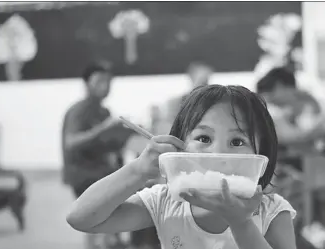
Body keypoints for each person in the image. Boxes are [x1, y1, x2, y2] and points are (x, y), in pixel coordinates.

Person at [67, 84, 297, 249]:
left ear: (262, 155)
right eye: (204, 139)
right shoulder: (166, 202)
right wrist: (138, 170)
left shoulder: (272, 211)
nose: (217, 154)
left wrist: (241, 222)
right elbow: (81, 218)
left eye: (237, 142)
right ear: (179, 147)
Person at [62, 62, 134, 249]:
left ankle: (115, 241)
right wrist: (103, 128)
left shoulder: (104, 111)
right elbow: (71, 142)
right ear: (86, 84)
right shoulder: (79, 110)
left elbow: (111, 143)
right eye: (100, 80)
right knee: (96, 221)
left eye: (109, 81)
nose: (106, 85)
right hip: (84, 174)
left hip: (102, 172)